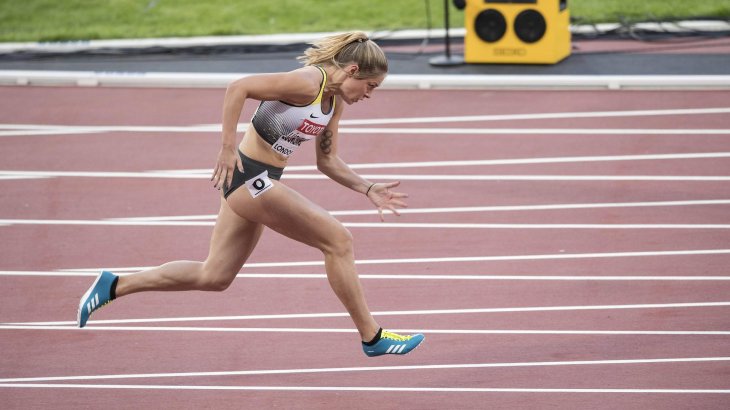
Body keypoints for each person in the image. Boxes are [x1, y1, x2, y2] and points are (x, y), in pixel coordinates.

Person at [77, 31, 424, 357]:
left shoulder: (333, 103)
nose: (369, 94)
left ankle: (114, 285)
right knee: (338, 240)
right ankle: (372, 337)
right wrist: (227, 148)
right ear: (351, 70)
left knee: (213, 276)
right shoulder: (307, 84)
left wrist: (367, 187)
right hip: (249, 177)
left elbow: (328, 160)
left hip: (260, 180)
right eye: (370, 86)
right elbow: (238, 86)